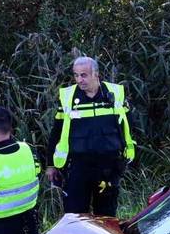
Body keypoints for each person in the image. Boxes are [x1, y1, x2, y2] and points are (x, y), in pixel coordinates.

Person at [44, 56, 137, 216]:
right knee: (75, 215)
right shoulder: (69, 98)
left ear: (96, 74)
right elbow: (56, 132)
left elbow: (129, 128)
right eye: (76, 75)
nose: (79, 80)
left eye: (84, 75)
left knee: (106, 215)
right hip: (78, 167)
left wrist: (130, 156)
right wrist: (51, 165)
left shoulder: (114, 94)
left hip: (108, 167)